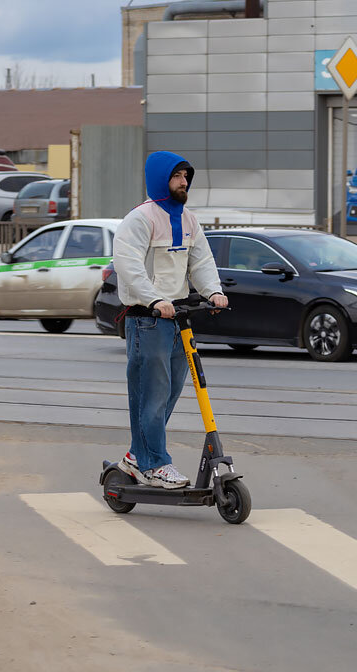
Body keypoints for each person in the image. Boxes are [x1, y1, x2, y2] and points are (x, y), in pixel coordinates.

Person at [113, 151, 228, 489]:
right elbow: (128, 264)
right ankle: (154, 463)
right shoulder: (140, 219)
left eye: (186, 176)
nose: (184, 182)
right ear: (161, 179)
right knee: (152, 392)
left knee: (170, 391)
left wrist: (213, 292)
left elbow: (202, 260)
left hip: (176, 317)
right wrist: (155, 299)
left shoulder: (189, 219)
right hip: (147, 318)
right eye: (178, 176)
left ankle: (139, 456)